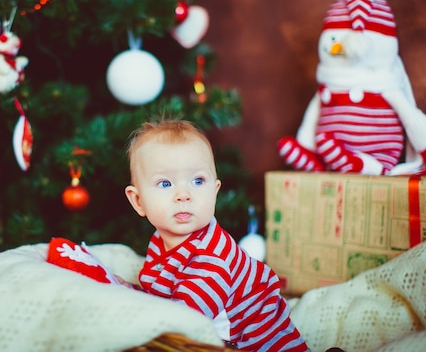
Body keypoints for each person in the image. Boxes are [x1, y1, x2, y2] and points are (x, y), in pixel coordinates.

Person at [123, 119, 309, 352]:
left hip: (256, 341)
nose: (183, 194)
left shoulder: (211, 260)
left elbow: (184, 323)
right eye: (165, 183)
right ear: (138, 201)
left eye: (198, 181)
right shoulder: (160, 241)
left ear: (215, 190)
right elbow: (158, 288)